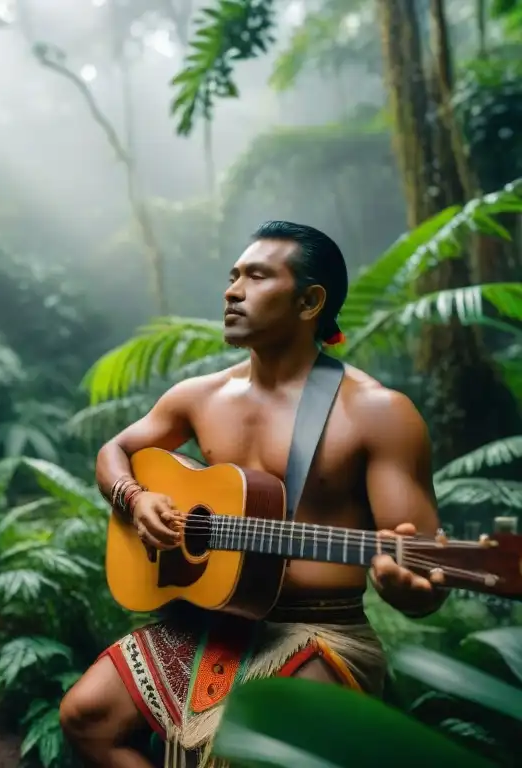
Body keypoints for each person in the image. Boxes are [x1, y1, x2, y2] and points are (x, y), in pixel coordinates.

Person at [59, 221, 449, 768]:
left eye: (257, 276)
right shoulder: (200, 396)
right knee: (86, 717)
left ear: (310, 300)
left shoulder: (377, 413)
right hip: (213, 619)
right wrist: (135, 498)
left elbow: (426, 580)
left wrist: (406, 584)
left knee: (249, 754)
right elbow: (114, 452)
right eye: (233, 275)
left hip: (320, 629)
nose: (232, 290)